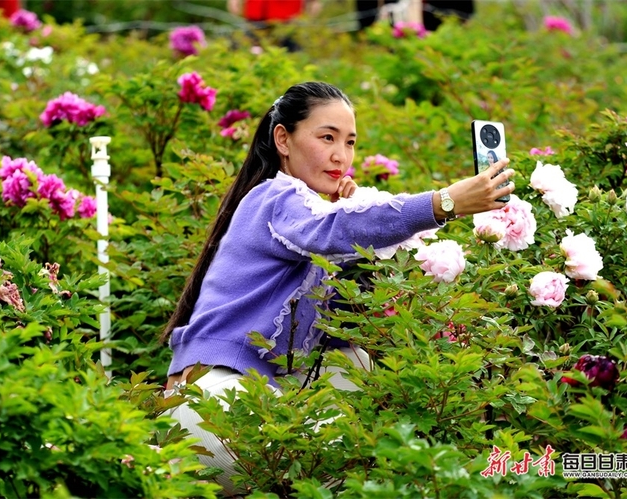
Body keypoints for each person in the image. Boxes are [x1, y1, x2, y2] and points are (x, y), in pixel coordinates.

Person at [162, 81, 514, 492]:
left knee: (358, 365)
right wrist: (443, 203)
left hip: (260, 396)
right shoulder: (276, 196)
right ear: (283, 139)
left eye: (349, 143)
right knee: (371, 455)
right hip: (213, 402)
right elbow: (331, 229)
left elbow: (344, 323)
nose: (340, 156)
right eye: (326, 137)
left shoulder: (314, 210)